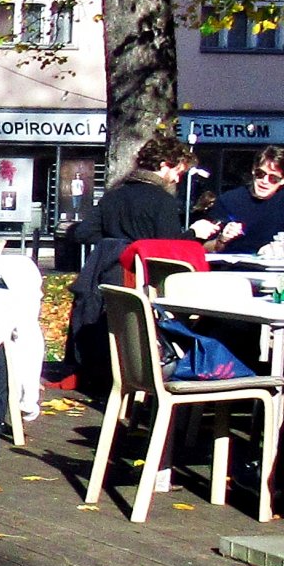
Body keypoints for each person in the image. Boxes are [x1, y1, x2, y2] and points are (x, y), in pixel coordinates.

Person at [65, 132, 198, 392]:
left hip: (108, 275)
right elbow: (169, 246)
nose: (177, 179)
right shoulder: (163, 201)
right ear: (164, 165)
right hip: (141, 280)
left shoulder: (114, 195)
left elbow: (82, 233)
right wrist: (196, 234)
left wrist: (113, 242)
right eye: (177, 172)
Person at [196, 146, 284, 249]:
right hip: (234, 264)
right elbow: (203, 248)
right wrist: (222, 239)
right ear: (253, 170)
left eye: (273, 178)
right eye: (260, 174)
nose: (265, 181)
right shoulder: (228, 201)